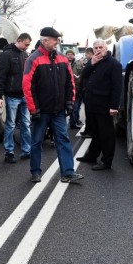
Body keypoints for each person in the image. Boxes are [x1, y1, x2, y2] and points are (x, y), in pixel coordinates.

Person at [23, 26, 84, 183]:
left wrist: (70, 102)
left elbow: (70, 82)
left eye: (57, 39)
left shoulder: (62, 59)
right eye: (54, 40)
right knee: (36, 141)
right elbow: (27, 86)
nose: (57, 42)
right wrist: (33, 109)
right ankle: (35, 172)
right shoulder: (33, 59)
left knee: (63, 140)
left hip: (58, 111)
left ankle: (68, 173)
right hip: (41, 111)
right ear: (44, 40)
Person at [76, 39, 123, 170]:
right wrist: (91, 63)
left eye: (100, 47)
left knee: (106, 134)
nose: (98, 50)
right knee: (95, 132)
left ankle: (106, 161)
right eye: (95, 48)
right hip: (92, 103)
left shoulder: (114, 64)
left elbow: (116, 87)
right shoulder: (94, 62)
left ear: (106, 48)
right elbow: (84, 75)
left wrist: (114, 106)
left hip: (105, 105)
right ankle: (92, 155)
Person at [0, 32, 33, 163]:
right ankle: (9, 152)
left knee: (26, 124)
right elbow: (0, 75)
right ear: (19, 40)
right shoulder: (6, 55)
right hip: (12, 96)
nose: (27, 48)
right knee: (10, 125)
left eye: (28, 46)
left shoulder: (24, 55)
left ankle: (27, 151)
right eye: (26, 45)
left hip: (24, 96)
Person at [77, 47, 94, 137]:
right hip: (85, 90)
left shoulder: (92, 63)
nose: (86, 56)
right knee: (87, 111)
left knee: (89, 112)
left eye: (87, 54)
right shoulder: (89, 63)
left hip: (87, 90)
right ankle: (88, 130)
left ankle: (90, 131)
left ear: (89, 54)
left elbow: (85, 76)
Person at [66, 49, 83, 129]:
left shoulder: (78, 64)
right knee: (71, 107)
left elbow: (82, 76)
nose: (69, 55)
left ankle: (74, 121)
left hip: (77, 89)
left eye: (71, 54)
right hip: (66, 90)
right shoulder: (63, 63)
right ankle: (72, 122)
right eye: (68, 54)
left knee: (76, 107)